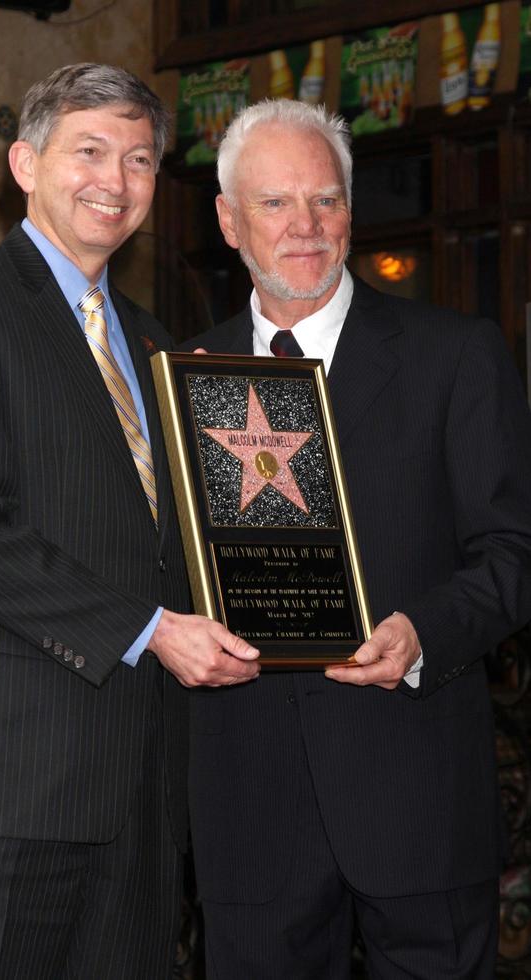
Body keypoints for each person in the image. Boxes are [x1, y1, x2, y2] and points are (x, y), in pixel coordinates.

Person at [0, 63, 259, 980]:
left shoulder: (157, 342)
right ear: (24, 162)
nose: (116, 181)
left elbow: (180, 541)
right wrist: (150, 630)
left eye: (139, 159)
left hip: (135, 792)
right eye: (89, 151)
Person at [184, 98, 531, 979]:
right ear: (229, 220)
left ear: (349, 210)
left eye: (325, 199)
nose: (305, 226)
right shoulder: (185, 377)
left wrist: (423, 633)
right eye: (274, 203)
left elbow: (513, 554)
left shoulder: (455, 355)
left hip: (416, 799)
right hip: (249, 813)